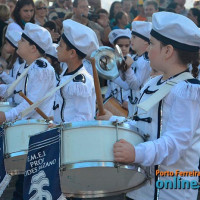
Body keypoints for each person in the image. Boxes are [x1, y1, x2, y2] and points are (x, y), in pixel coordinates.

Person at [98, 11, 200, 200]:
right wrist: (113, 120)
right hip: (141, 189)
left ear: (167, 51)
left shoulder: (188, 91)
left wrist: (136, 153)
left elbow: (175, 144)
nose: (147, 49)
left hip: (171, 191)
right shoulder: (153, 83)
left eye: (152, 44)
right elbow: (141, 125)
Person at [0, 23, 56, 124]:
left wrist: (7, 116)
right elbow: (13, 89)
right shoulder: (27, 65)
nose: (18, 43)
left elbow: (31, 104)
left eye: (22, 40)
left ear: (33, 48)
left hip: (37, 128)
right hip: (26, 126)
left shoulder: (42, 70)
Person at [54, 19, 98, 123]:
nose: (57, 49)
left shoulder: (81, 82)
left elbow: (84, 118)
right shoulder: (66, 71)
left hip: (73, 136)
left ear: (72, 53)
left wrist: (60, 127)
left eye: (60, 45)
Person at [122, 21, 152, 117]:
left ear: (145, 41)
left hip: (142, 109)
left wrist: (128, 68)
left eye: (134, 37)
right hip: (133, 105)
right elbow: (125, 82)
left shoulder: (147, 61)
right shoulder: (135, 57)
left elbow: (135, 85)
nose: (131, 40)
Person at [106, 28, 131, 112]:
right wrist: (105, 102)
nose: (123, 48)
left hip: (129, 108)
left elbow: (130, 87)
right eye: (120, 46)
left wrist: (128, 103)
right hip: (114, 108)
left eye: (127, 46)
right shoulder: (111, 64)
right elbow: (110, 88)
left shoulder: (134, 63)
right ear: (114, 46)